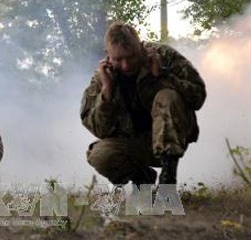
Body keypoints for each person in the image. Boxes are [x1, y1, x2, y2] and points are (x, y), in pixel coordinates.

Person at [80, 22, 206, 187]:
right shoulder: (103, 76)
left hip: (172, 140)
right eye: (118, 59)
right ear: (108, 55)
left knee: (167, 96)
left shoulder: (163, 55)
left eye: (131, 56)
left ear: (140, 47)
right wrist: (106, 91)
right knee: (100, 156)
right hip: (134, 144)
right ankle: (142, 178)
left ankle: (168, 181)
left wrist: (162, 76)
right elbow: (99, 130)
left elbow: (198, 97)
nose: (126, 65)